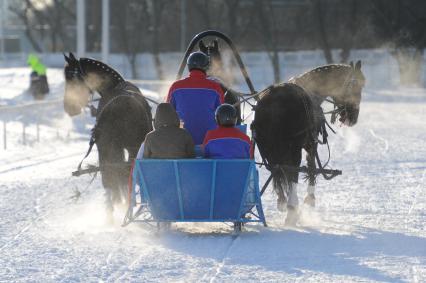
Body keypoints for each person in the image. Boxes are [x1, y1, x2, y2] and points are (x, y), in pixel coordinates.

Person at [167, 51, 225, 145]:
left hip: (181, 142)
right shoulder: (215, 87)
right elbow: (222, 114)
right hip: (210, 142)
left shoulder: (176, 87)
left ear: (189, 66)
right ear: (206, 67)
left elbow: (167, 113)